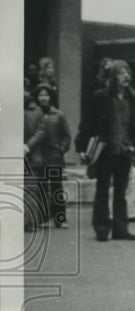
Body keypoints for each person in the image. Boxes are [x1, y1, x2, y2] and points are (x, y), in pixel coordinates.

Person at [75, 60, 135, 241]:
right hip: (105, 150)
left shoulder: (134, 100)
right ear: (113, 76)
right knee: (102, 189)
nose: (126, 76)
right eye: (121, 73)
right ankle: (102, 228)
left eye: (128, 72)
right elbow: (87, 123)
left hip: (125, 151)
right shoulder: (101, 97)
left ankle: (121, 229)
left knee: (121, 192)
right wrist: (81, 146)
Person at [35, 82, 72, 228]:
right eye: (41, 95)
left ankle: (60, 218)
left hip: (55, 156)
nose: (43, 98)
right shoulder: (34, 114)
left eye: (46, 95)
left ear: (51, 97)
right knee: (42, 188)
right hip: (39, 157)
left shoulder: (58, 115)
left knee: (57, 187)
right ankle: (44, 218)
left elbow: (67, 135)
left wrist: (61, 149)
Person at [23, 85, 47, 232]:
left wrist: (27, 146)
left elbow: (41, 131)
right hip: (18, 153)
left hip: (30, 155)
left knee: (30, 189)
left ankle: (29, 222)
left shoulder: (37, 112)